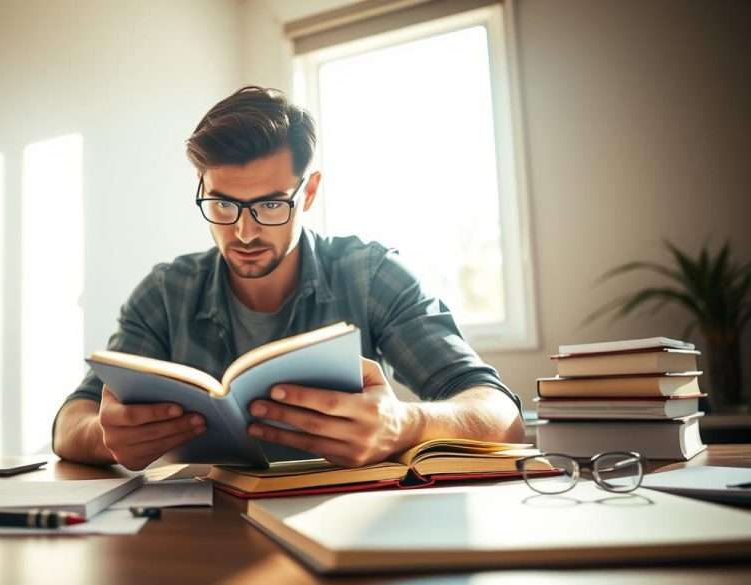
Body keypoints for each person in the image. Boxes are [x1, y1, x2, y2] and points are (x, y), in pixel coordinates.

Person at [52, 86, 524, 470]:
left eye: (271, 205)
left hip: (343, 522)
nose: (244, 231)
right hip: (205, 530)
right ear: (203, 189)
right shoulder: (165, 292)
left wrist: (404, 423)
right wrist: (106, 436)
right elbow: (71, 421)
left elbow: (501, 414)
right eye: (222, 205)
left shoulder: (370, 275)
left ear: (309, 191)